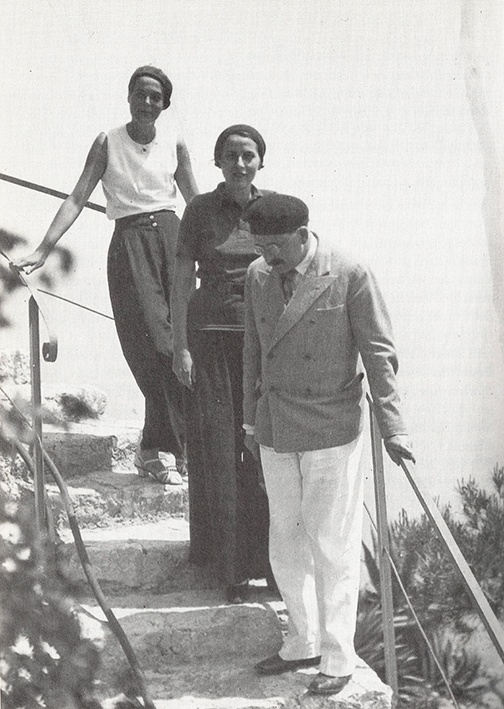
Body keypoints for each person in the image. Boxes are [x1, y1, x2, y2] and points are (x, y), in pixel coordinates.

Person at [242, 194, 415, 695]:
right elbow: (252, 348)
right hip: (275, 425)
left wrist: (394, 426)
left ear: (302, 235)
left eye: (275, 246)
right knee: (285, 537)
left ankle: (338, 657)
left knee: (333, 543)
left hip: (329, 428)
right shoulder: (258, 275)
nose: (267, 257)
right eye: (261, 246)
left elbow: (379, 352)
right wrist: (250, 426)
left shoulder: (349, 271)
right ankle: (302, 640)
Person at [13, 66, 198, 486]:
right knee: (153, 345)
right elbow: (78, 196)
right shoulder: (108, 142)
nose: (148, 103)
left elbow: (196, 201)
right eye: (141, 94)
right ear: (129, 96)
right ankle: (164, 447)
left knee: (181, 342)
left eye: (156, 98)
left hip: (173, 242)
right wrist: (44, 248)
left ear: (165, 105)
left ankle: (159, 449)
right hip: (131, 246)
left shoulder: (175, 143)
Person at [171, 124, 273, 603]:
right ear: (217, 162)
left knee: (263, 452)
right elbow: (179, 277)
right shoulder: (199, 210)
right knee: (217, 448)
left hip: (262, 344)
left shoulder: (273, 209)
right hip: (209, 340)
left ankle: (272, 566)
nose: (239, 163)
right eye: (230, 155)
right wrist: (179, 346)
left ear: (260, 161)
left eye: (248, 155)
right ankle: (229, 567)